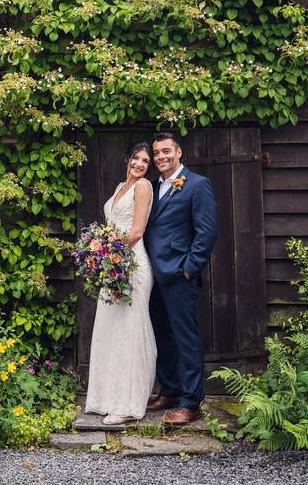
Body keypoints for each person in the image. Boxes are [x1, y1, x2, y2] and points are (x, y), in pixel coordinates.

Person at [143, 132, 218, 426]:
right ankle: (170, 390)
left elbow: (207, 231)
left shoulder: (198, 185)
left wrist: (189, 268)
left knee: (186, 338)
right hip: (153, 275)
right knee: (163, 336)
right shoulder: (151, 187)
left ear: (178, 153)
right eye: (157, 153)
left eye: (165, 152)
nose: (161, 157)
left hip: (179, 275)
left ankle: (191, 402)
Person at [84, 142, 157, 425]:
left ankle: (128, 404)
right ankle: (106, 398)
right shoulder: (118, 188)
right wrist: (100, 253)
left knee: (130, 329)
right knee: (109, 327)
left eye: (145, 162)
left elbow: (137, 230)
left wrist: (110, 254)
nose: (139, 164)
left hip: (132, 264)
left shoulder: (143, 188)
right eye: (136, 158)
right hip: (113, 264)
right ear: (127, 159)